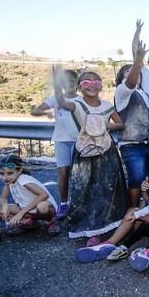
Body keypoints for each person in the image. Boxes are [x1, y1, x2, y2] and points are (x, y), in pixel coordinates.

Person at [56, 71, 129, 243]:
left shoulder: (106, 105)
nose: (91, 86)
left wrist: (106, 124)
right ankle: (92, 229)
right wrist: (57, 84)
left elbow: (120, 123)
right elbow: (62, 102)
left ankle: (110, 222)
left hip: (106, 151)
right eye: (86, 83)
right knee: (86, 190)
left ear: (101, 86)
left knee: (108, 188)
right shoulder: (76, 103)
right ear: (79, 87)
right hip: (85, 152)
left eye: (96, 82)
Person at [75, 174, 149, 272]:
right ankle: (123, 246)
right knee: (143, 228)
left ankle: (144, 252)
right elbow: (147, 210)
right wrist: (135, 215)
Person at [117, 21, 149, 206]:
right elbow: (135, 56)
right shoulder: (135, 81)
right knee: (136, 178)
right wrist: (137, 32)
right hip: (134, 138)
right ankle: (133, 210)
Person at [31, 67, 79, 219]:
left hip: (79, 141)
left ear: (77, 83)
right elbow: (35, 111)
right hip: (61, 140)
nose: (69, 83)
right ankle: (64, 204)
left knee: (78, 175)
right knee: (63, 173)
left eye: (72, 80)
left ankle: (78, 204)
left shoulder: (82, 99)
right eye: (65, 81)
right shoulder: (54, 99)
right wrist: (47, 113)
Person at [0, 155, 60, 236]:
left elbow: (44, 195)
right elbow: (3, 198)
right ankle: (29, 223)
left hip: (41, 209)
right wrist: (5, 208)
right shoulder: (10, 182)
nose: (5, 177)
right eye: (1, 174)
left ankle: (50, 221)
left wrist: (20, 214)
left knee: (42, 206)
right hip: (27, 210)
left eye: (10, 173)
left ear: (20, 170)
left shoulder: (23, 180)